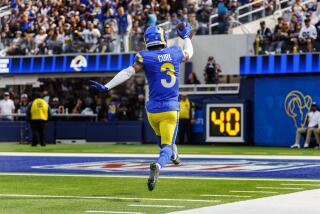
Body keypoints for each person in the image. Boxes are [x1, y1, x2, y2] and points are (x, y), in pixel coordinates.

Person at [90, 23, 193, 191]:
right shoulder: (174, 52)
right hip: (170, 109)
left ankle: (174, 155)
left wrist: (106, 86)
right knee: (166, 146)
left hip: (152, 111)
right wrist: (186, 37)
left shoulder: (145, 56)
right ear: (163, 38)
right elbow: (189, 53)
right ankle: (159, 165)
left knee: (163, 143)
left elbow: (128, 72)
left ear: (147, 41)